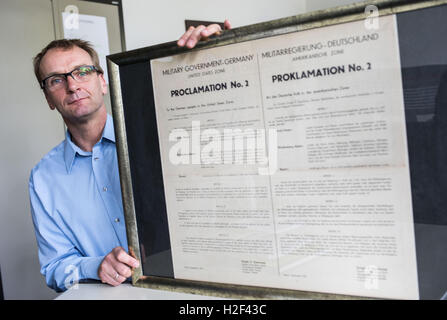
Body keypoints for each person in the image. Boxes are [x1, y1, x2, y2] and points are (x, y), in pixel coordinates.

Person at [29, 20, 231, 292]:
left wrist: (222, 51)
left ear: (103, 81)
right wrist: (95, 266)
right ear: (48, 99)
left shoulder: (163, 139)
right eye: (56, 79)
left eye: (83, 72)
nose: (72, 85)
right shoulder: (43, 178)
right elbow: (54, 268)